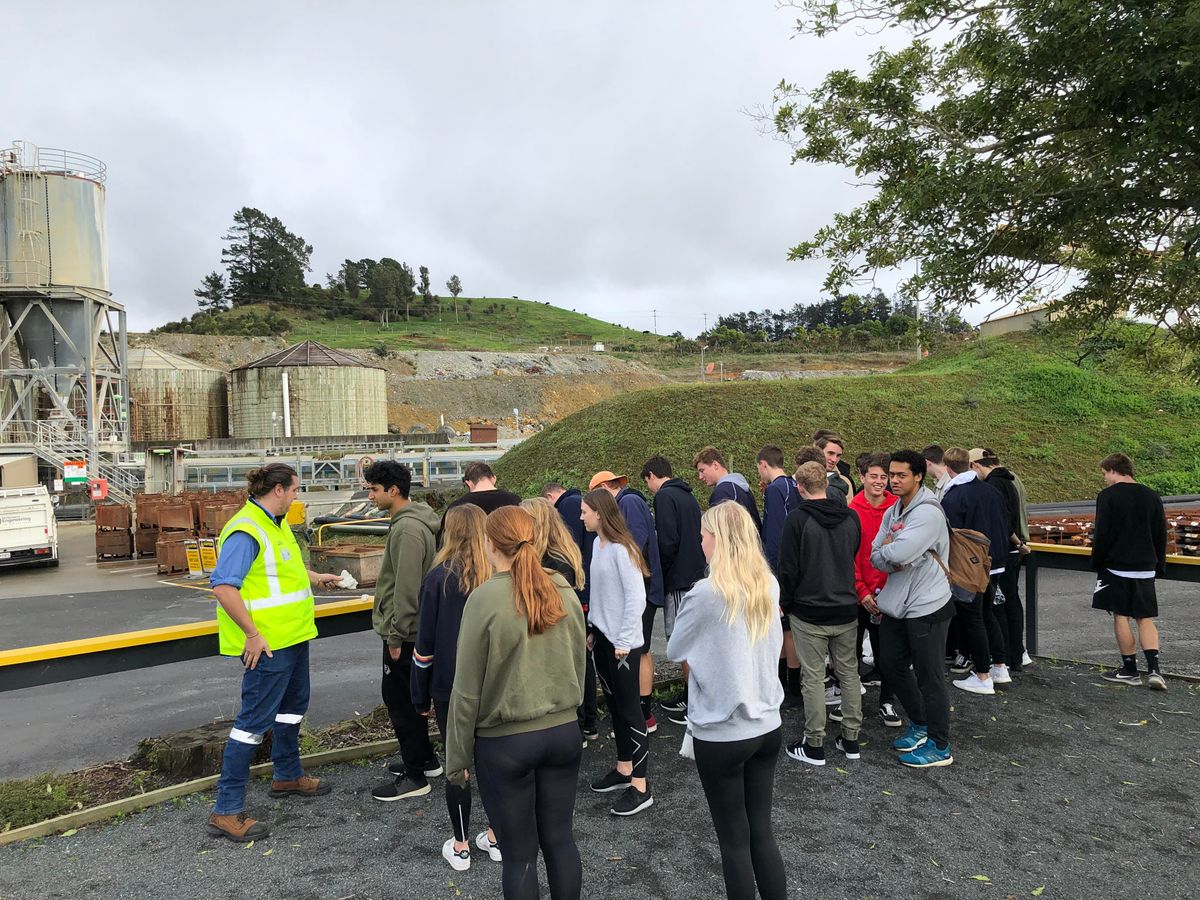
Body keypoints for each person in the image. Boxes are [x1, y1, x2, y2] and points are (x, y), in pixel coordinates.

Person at [446, 506, 587, 899]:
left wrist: (457, 758)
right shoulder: (561, 587)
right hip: (563, 730)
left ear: (490, 544)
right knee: (561, 840)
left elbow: (466, 689)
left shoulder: (484, 599)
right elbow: (579, 660)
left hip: (506, 742)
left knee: (519, 855)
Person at [206, 463, 342, 842]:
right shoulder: (247, 530)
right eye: (295, 490)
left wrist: (316, 577)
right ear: (278, 490)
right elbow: (224, 587)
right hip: (267, 647)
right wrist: (252, 634)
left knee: (292, 709)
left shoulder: (275, 524)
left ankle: (287, 775)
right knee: (251, 726)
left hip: (292, 638)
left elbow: (282, 570)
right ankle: (226, 810)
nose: (297, 496)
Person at [667, 501, 787, 900]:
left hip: (723, 731)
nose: (700, 542)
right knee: (761, 832)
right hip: (767, 723)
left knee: (734, 841)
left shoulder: (705, 593)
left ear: (718, 540)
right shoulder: (767, 582)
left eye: (703, 535)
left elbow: (675, 648)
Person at [411, 504, 500, 871]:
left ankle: (461, 845)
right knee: (492, 762)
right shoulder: (496, 576)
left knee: (457, 765)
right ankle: (496, 837)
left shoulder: (437, 579)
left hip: (450, 687)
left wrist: (419, 694)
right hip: (493, 684)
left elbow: (425, 646)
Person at [870, 450, 955, 768]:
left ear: (918, 476)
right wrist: (893, 552)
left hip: (927, 604)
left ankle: (940, 745)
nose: (892, 480)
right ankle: (920, 723)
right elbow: (875, 555)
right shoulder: (895, 509)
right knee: (890, 663)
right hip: (897, 603)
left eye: (900, 475)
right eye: (890, 474)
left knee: (929, 676)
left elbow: (897, 552)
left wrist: (893, 551)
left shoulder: (928, 513)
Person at [365, 460, 444, 801]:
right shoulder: (412, 521)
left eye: (374, 489)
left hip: (406, 633)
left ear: (393, 490)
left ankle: (415, 776)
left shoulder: (407, 529)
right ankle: (424, 759)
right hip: (411, 629)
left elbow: (407, 588)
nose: (370, 496)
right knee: (410, 698)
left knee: (401, 702)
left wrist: (396, 635)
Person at [780, 462, 863, 766]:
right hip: (845, 606)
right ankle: (851, 738)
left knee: (813, 676)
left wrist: (786, 602)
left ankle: (814, 742)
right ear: (826, 484)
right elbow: (854, 552)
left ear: (799, 487)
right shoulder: (851, 517)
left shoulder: (797, 519)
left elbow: (788, 567)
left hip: (809, 609)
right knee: (849, 672)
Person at [581, 488, 654, 816]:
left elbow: (636, 598)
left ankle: (641, 785)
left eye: (585, 512)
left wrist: (624, 641)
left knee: (630, 710)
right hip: (603, 640)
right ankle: (625, 768)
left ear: (600, 513)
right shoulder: (598, 545)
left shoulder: (624, 550)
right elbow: (600, 594)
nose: (581, 517)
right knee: (614, 706)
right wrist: (593, 629)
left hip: (623, 646)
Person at [589, 470, 664, 731]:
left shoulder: (629, 503)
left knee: (639, 650)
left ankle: (643, 714)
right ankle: (637, 715)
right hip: (641, 588)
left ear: (605, 488)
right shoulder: (626, 504)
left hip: (642, 590)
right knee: (640, 651)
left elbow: (635, 547)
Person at [1091, 453, 1168, 690]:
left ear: (1113, 470)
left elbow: (1103, 533)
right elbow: (1161, 533)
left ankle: (1130, 669)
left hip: (1117, 566)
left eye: (1105, 473)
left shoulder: (1108, 496)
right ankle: (1154, 670)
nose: (1105, 479)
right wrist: (1159, 565)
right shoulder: (1151, 495)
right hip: (1146, 566)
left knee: (1121, 615)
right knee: (1145, 617)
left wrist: (1097, 562)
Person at [522, 496, 595, 742]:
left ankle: (577, 728)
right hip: (571, 623)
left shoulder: (552, 561)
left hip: (557, 628)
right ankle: (585, 724)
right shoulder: (564, 551)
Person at [640, 456, 706, 726]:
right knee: (696, 639)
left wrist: (660, 571)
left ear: (652, 475)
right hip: (695, 574)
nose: (649, 488)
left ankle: (694, 701)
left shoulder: (664, 497)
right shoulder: (687, 495)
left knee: (683, 639)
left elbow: (667, 541)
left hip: (678, 578)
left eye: (647, 482)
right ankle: (693, 695)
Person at [941, 448, 1012, 696]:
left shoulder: (953, 497)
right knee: (987, 613)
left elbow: (948, 534)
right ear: (969, 465)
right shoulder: (991, 490)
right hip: (997, 560)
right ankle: (999, 666)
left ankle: (982, 675)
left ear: (948, 468)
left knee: (973, 618)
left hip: (970, 565)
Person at [848, 452, 902, 728]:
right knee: (852, 652)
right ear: (862, 477)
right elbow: (850, 555)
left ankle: (887, 701)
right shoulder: (853, 510)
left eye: (884, 477)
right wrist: (862, 591)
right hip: (860, 594)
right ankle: (850, 704)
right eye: (874, 476)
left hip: (889, 594)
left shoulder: (897, 508)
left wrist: (885, 591)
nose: (879, 481)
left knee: (888, 654)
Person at [544, 483, 598, 737]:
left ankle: (580, 722)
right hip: (583, 597)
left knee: (575, 659)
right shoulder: (567, 548)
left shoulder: (566, 505)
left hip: (577, 600)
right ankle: (589, 722)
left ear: (550, 496)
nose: (581, 517)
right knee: (583, 658)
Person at [971, 449, 1029, 673]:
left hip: (1003, 551)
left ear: (976, 465)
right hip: (1013, 549)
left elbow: (1003, 521)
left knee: (998, 606)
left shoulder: (993, 485)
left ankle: (1004, 657)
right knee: (1011, 602)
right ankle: (1016, 654)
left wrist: (1016, 542)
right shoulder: (1011, 479)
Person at [757, 445, 804, 703]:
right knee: (788, 628)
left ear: (764, 464)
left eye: (759, 469)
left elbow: (774, 534)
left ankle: (787, 686)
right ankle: (791, 684)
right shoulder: (794, 485)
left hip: (779, 569)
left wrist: (770, 570)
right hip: (796, 563)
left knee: (782, 628)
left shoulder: (776, 489)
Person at [439, 462, 521, 541]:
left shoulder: (456, 507)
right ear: (493, 479)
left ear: (469, 483)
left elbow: (442, 539)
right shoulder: (514, 500)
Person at [694, 446, 762, 529]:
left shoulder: (722, 492)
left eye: (702, 470)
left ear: (715, 465)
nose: (700, 477)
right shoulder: (740, 487)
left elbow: (721, 530)